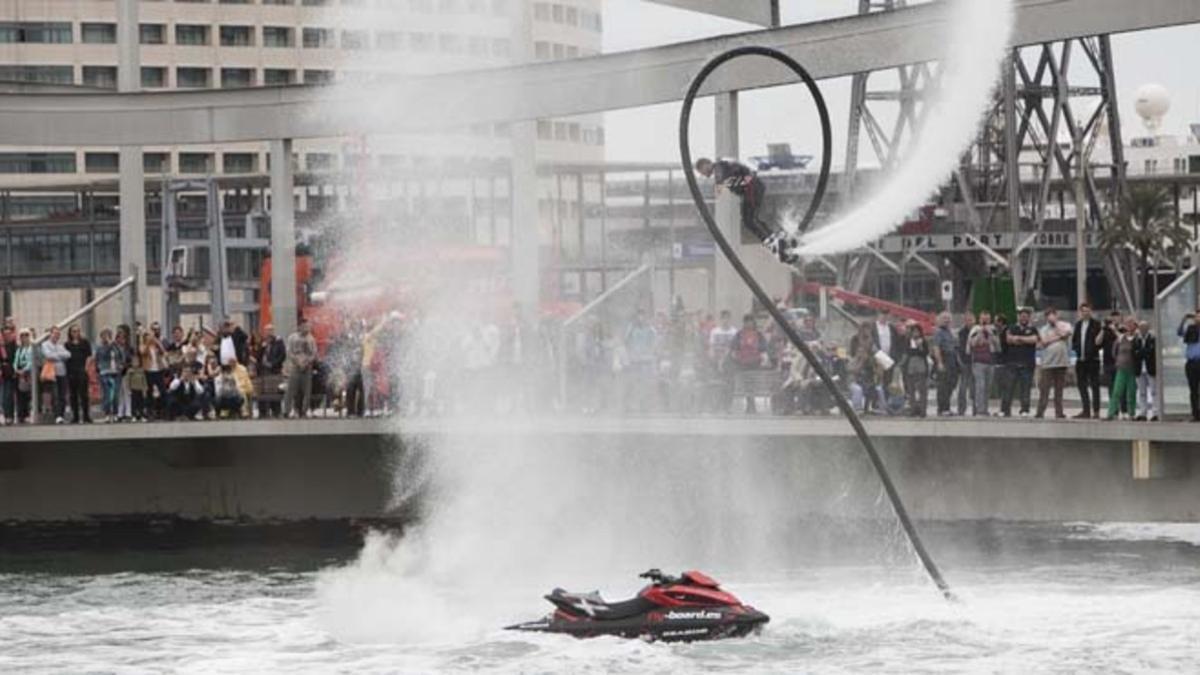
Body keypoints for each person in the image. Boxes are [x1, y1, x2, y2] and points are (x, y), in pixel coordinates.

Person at [693, 157, 795, 263]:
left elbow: (721, 179)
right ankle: (773, 237)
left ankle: (769, 239)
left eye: (701, 170)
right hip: (753, 187)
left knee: (748, 219)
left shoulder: (719, 167)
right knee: (751, 218)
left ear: (706, 164)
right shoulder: (722, 167)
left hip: (751, 188)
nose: (703, 174)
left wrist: (714, 195)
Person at [1036, 308, 1073, 419]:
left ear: (1056, 315)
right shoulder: (1043, 329)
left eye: (1052, 315)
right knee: (1044, 389)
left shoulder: (1065, 325)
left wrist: (1056, 326)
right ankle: (1040, 411)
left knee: (1059, 390)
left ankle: (1059, 412)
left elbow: (1066, 334)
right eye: (1048, 316)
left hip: (1061, 362)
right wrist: (1058, 337)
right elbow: (1044, 342)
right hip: (1047, 363)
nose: (1050, 317)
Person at [729, 313, 767, 413]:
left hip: (755, 364)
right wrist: (736, 358)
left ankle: (751, 405)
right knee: (745, 385)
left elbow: (763, 349)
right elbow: (733, 348)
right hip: (742, 364)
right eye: (746, 321)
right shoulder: (739, 334)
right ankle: (750, 405)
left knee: (753, 385)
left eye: (750, 321)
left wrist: (763, 358)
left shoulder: (758, 334)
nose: (748, 324)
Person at [1003, 309, 1037, 417]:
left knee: (1025, 389)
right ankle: (1005, 410)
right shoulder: (1012, 327)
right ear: (1019, 317)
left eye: (1026, 316)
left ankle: (1024, 410)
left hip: (1027, 364)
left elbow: (1034, 340)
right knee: (1008, 388)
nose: (1024, 318)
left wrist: (1018, 338)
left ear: (1029, 317)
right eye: (1022, 316)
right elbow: (1008, 339)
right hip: (1012, 363)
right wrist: (1024, 340)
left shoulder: (1033, 329)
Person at [1072, 303, 1102, 419]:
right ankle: (1086, 410)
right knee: (1081, 385)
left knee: (1095, 385)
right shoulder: (1078, 325)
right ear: (1080, 312)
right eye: (1083, 311)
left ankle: (1096, 410)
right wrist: (1077, 349)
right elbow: (1075, 340)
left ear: (1091, 311)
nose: (1085, 313)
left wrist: (1093, 350)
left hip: (1092, 360)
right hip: (1081, 360)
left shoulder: (1096, 325)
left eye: (1087, 311)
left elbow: (1099, 341)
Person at [967, 311, 999, 416]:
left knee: (988, 387)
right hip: (978, 362)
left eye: (987, 319)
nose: (985, 321)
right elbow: (972, 344)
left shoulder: (993, 330)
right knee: (980, 385)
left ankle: (985, 409)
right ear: (979, 319)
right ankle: (979, 409)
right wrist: (981, 332)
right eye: (983, 319)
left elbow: (998, 345)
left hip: (990, 362)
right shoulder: (975, 330)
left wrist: (990, 333)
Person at [1106, 318, 1138, 421]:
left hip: (1132, 368)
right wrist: (1118, 361)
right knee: (1117, 391)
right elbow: (1114, 351)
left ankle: (1131, 413)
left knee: (1131, 391)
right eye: (1127, 324)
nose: (1129, 327)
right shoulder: (1120, 338)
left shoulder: (1136, 338)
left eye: (1131, 324)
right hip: (1121, 368)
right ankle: (1111, 412)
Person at [286, 319, 318, 417]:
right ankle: (290, 410)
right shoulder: (292, 337)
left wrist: (307, 362)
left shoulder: (311, 339)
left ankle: (305, 409)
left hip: (307, 367)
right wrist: (297, 361)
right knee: (292, 389)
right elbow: (289, 352)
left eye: (308, 326)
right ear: (300, 326)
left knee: (307, 390)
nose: (307, 328)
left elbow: (314, 353)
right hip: (295, 367)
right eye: (305, 326)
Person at [898, 321, 929, 417]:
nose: (916, 334)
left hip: (921, 366)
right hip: (910, 367)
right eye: (913, 332)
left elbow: (925, 353)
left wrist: (919, 346)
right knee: (911, 390)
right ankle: (912, 409)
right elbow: (906, 352)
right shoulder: (907, 341)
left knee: (922, 390)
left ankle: (923, 410)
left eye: (917, 332)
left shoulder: (923, 341)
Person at [930, 312, 959, 416]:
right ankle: (942, 409)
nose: (946, 320)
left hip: (952, 360)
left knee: (951, 384)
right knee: (943, 386)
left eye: (948, 318)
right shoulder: (939, 332)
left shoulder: (950, 332)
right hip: (944, 359)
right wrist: (940, 363)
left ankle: (947, 407)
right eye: (944, 318)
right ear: (939, 320)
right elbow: (936, 348)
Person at [848, 321, 879, 413]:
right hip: (858, 363)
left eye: (869, 329)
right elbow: (852, 352)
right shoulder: (855, 339)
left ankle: (869, 406)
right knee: (859, 386)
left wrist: (870, 358)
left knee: (871, 385)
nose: (867, 331)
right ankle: (858, 407)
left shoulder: (872, 340)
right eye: (865, 329)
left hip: (869, 365)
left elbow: (875, 352)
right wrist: (859, 357)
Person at [94, 329, 125, 423]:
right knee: (107, 394)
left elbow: (121, 356)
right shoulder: (100, 348)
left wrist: (121, 365)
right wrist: (109, 345)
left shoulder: (116, 346)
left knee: (115, 394)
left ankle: (115, 413)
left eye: (108, 335)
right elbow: (103, 355)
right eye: (104, 336)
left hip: (116, 372)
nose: (106, 338)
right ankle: (107, 414)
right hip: (105, 372)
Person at [256, 323, 287, 418]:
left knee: (275, 391)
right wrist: (262, 347)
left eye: (270, 330)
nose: (268, 333)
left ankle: (276, 411)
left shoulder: (279, 341)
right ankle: (263, 412)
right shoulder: (262, 342)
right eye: (266, 331)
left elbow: (282, 355)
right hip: (264, 372)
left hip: (274, 370)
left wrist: (273, 364)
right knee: (263, 392)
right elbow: (258, 356)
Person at [41, 326, 70, 424]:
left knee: (63, 395)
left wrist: (56, 355)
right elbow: (48, 355)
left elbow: (68, 355)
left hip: (62, 373)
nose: (57, 335)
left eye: (58, 334)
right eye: (55, 333)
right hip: (52, 374)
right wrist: (60, 356)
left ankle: (61, 415)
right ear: (50, 334)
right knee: (55, 395)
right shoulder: (45, 344)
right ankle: (57, 415)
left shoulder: (60, 345)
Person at [64, 325, 93, 424]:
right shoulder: (67, 344)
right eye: (73, 331)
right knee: (73, 395)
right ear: (70, 333)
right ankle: (75, 416)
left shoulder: (84, 343)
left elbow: (89, 356)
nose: (75, 333)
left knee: (84, 394)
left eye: (77, 331)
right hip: (71, 372)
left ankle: (86, 416)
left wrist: (86, 367)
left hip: (82, 370)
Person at [1098, 310, 1124, 414]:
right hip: (1108, 362)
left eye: (1116, 317)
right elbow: (1097, 342)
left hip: (1121, 362)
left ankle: (1124, 409)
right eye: (1112, 317)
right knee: (1111, 386)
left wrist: (1114, 330)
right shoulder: (1106, 331)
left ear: (1120, 318)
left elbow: (1122, 340)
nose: (1114, 320)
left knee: (1121, 387)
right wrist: (1103, 330)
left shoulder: (1123, 329)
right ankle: (1114, 409)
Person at [1132, 320, 1158, 422]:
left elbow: (1151, 352)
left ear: (1148, 328)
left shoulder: (1152, 339)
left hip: (1150, 368)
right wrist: (1143, 352)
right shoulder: (1136, 339)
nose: (1142, 330)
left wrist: (1141, 352)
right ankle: (1143, 412)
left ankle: (1156, 412)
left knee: (1154, 391)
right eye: (1141, 327)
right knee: (1142, 392)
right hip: (1140, 369)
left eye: (1144, 327)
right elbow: (1134, 353)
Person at [1178, 311, 1200, 421]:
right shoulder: (1191, 328)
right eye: (1196, 316)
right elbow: (1180, 332)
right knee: (1193, 389)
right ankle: (1196, 414)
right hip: (1192, 363)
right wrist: (1184, 319)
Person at [955, 312, 976, 416]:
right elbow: (959, 348)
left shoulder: (977, 331)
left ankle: (976, 409)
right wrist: (960, 362)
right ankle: (961, 409)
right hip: (965, 362)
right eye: (967, 320)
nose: (969, 322)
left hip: (976, 362)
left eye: (971, 320)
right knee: (963, 388)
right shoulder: (961, 332)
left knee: (975, 388)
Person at [13, 328, 33, 423]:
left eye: (26, 335)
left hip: (29, 373)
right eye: (22, 336)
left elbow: (31, 361)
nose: (24, 338)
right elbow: (16, 360)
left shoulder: (32, 348)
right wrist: (17, 369)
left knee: (29, 395)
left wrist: (25, 370)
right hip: (20, 374)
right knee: (20, 395)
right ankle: (21, 415)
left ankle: (29, 414)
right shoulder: (19, 349)